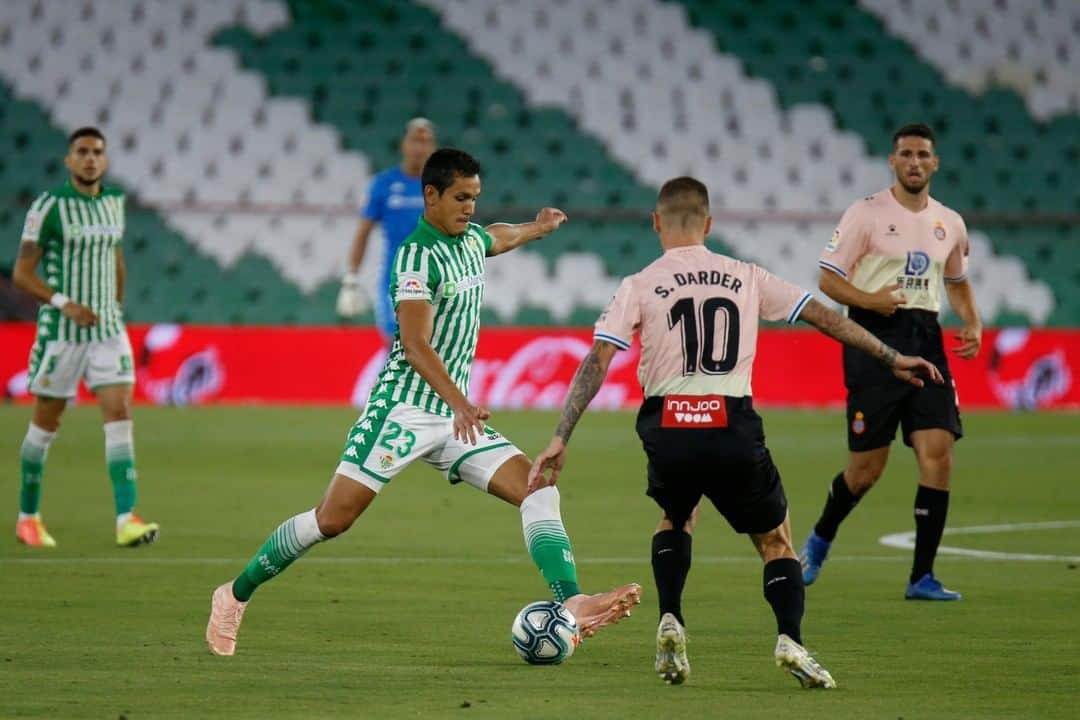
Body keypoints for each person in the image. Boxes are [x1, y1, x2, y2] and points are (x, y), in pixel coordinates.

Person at [206, 148, 641, 656]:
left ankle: (571, 603)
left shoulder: (470, 241)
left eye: (475, 198)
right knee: (333, 519)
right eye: (461, 197)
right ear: (430, 195)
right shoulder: (415, 256)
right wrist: (459, 401)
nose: (470, 207)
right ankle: (234, 595)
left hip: (454, 416)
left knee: (537, 485)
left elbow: (499, 235)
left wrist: (538, 228)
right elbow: (414, 345)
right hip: (405, 410)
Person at [528, 177, 945, 688]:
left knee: (675, 518)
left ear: (657, 222)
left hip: (668, 424)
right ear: (709, 223)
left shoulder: (639, 283)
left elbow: (598, 359)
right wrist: (891, 356)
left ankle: (671, 618)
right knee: (776, 540)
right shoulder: (745, 275)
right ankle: (790, 638)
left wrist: (560, 436)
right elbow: (822, 316)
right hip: (730, 423)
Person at [799, 124, 981, 601]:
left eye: (923, 154)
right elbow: (828, 279)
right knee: (865, 471)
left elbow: (957, 279)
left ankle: (922, 577)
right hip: (871, 338)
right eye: (906, 154)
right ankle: (820, 538)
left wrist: (974, 321)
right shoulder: (866, 214)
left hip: (927, 337)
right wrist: (869, 300)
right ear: (893, 161)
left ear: (935, 163)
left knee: (938, 455)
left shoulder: (950, 223)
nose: (915, 162)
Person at [11, 126, 159, 548]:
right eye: (82, 151)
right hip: (62, 333)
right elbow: (22, 274)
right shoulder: (50, 207)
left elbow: (115, 255)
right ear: (69, 160)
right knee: (45, 425)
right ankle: (28, 517)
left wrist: (115, 303)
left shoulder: (114, 202)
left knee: (119, 415)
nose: (90, 158)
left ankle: (126, 518)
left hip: (108, 331)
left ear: (105, 160)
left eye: (97, 152)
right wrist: (64, 303)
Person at [336, 117, 436, 342]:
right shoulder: (384, 184)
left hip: (435, 280)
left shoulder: (443, 187)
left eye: (426, 141)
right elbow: (363, 233)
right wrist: (351, 279)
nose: (420, 148)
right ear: (403, 144)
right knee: (400, 346)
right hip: (397, 281)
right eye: (415, 140)